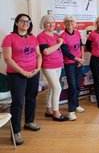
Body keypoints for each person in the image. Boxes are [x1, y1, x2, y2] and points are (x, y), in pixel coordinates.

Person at [1, 14, 42, 145]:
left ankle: (29, 121)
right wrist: (23, 72)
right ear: (17, 23)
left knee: (31, 98)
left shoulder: (33, 38)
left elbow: (39, 55)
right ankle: (15, 131)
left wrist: (38, 68)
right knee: (18, 102)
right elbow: (7, 59)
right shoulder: (9, 38)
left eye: (28, 21)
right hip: (16, 74)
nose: (25, 23)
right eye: (22, 21)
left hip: (33, 73)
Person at [37, 15, 69, 122]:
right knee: (57, 88)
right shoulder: (41, 36)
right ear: (43, 24)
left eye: (53, 22)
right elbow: (46, 51)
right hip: (48, 66)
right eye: (48, 23)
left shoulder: (55, 35)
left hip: (58, 65)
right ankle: (56, 112)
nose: (51, 25)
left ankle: (49, 109)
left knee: (51, 87)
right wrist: (59, 43)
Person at [60, 15, 85, 121]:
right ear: (65, 24)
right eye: (67, 21)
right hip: (70, 64)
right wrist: (77, 59)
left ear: (75, 23)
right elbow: (65, 52)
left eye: (72, 21)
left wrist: (82, 58)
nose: (70, 23)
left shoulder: (78, 33)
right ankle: (71, 111)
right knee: (72, 87)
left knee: (78, 86)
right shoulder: (62, 36)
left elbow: (81, 46)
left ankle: (76, 105)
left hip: (79, 63)